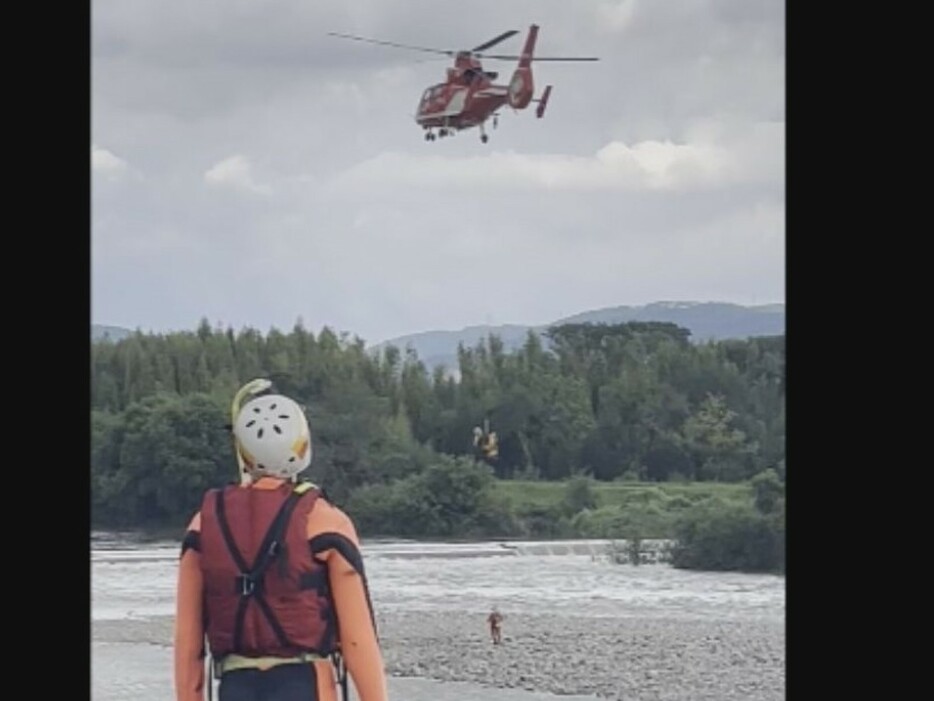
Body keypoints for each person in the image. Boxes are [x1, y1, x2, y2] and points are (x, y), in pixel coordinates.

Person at [174, 380, 388, 701]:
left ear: (243, 451)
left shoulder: (203, 523)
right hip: (307, 684)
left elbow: (188, 642)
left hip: (236, 686)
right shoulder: (326, 520)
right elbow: (358, 640)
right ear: (302, 445)